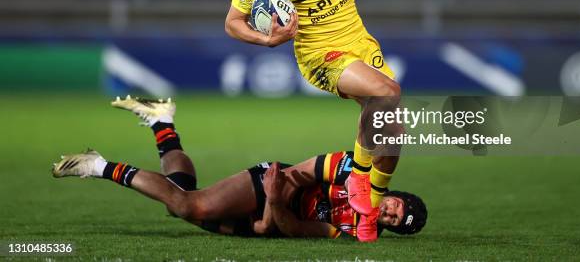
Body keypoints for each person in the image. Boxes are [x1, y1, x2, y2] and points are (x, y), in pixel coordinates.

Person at [224, 0, 434, 240]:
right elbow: (232, 21)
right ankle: (358, 177)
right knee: (388, 92)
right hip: (321, 54)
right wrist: (267, 40)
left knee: (393, 133)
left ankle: (367, 212)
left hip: (360, 43)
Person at [52, 97, 427, 240]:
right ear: (395, 194)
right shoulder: (355, 172)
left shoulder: (351, 230)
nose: (391, 214)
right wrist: (275, 196)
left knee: (178, 200)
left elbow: (296, 228)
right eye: (399, 207)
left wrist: (275, 210)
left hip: (275, 214)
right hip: (271, 184)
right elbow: (302, 170)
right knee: (189, 206)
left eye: (395, 222)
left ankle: (161, 121)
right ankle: (96, 164)